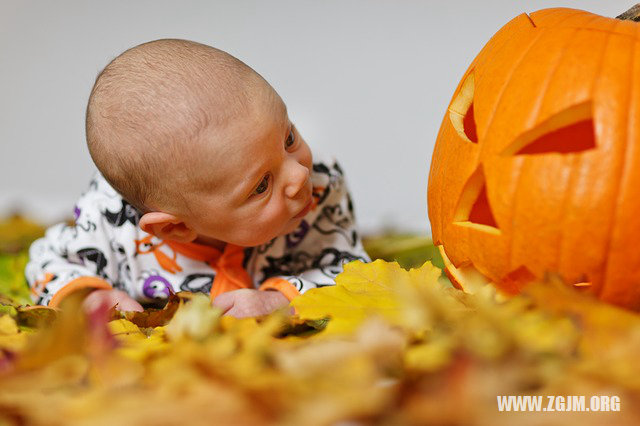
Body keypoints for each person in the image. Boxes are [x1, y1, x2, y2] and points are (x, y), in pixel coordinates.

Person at [25, 39, 369, 318]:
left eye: (288, 138)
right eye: (261, 185)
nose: (299, 175)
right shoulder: (109, 224)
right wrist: (89, 296)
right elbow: (46, 263)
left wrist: (279, 301)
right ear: (175, 228)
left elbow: (351, 271)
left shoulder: (321, 187)